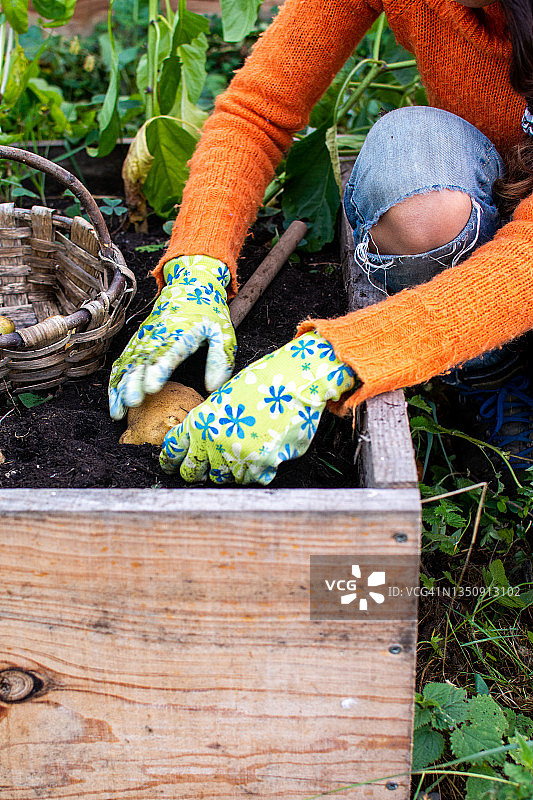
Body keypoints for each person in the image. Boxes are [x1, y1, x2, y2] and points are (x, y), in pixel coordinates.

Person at [109, 0, 533, 484]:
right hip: (489, 192)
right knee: (411, 159)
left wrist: (333, 357)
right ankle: (486, 373)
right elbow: (257, 109)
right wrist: (196, 268)